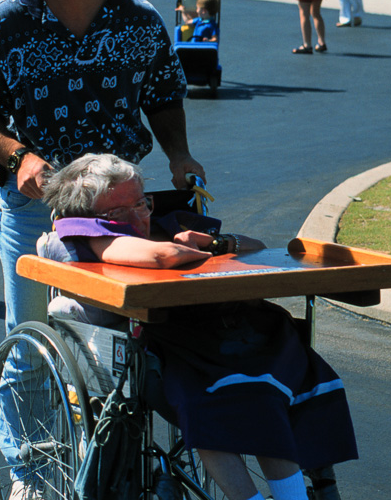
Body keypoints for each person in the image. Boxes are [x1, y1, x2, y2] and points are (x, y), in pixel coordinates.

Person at [0, 0, 203, 347]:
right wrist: (18, 157)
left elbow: (164, 95)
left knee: (112, 350)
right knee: (30, 347)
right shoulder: (7, 22)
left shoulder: (138, 19)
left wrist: (180, 155)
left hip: (118, 209)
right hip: (33, 206)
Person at [39, 154, 358, 500]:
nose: (139, 216)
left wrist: (219, 243)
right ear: (95, 215)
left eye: (142, 203)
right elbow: (162, 258)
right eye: (121, 211)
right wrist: (192, 247)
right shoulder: (86, 233)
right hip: (174, 345)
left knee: (267, 393)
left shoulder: (164, 219)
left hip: (223, 332)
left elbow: (258, 248)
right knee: (210, 408)